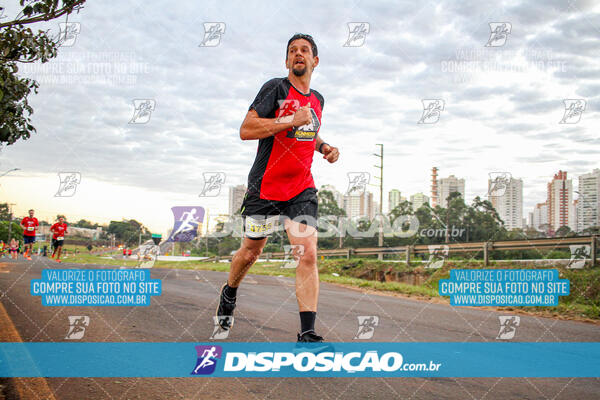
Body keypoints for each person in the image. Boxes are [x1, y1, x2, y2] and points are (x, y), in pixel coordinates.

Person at [215, 33, 339, 343]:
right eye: (293, 51)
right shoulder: (275, 88)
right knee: (250, 253)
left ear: (315, 61)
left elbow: (307, 134)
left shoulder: (318, 100)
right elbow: (246, 129)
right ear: (287, 61)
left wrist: (324, 147)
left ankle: (307, 333)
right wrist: (288, 120)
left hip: (301, 187)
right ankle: (229, 292)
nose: (299, 54)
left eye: (305, 50)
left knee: (307, 252)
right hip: (266, 187)